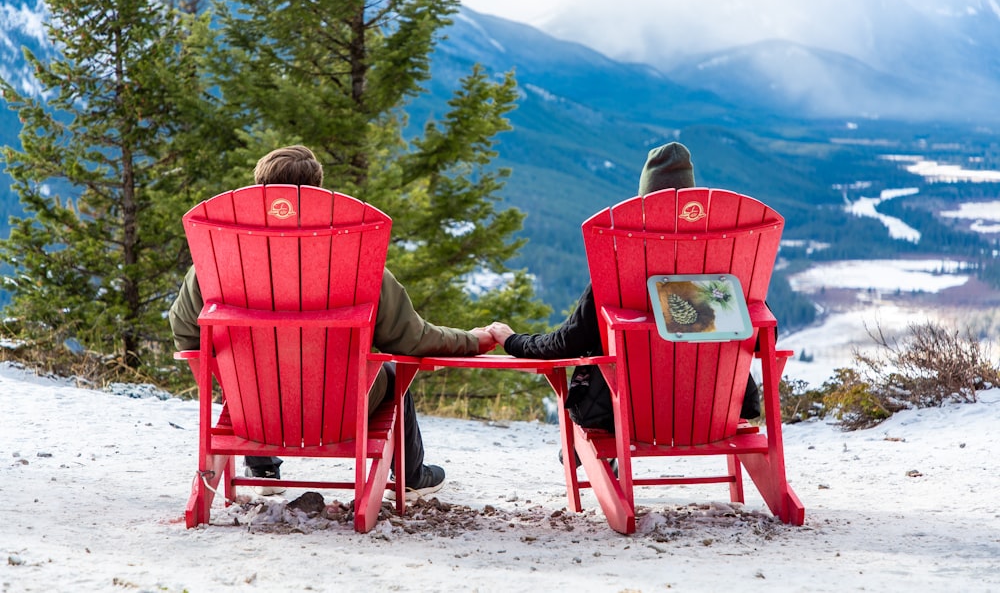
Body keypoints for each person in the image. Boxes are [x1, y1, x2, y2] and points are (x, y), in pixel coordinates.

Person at [169, 145, 495, 500]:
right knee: (389, 372)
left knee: (251, 370)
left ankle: (261, 466)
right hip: (339, 412)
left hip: (255, 414)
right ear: (318, 194)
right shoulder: (358, 264)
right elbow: (410, 340)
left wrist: (227, 383)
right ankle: (412, 475)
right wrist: (473, 340)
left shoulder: (213, 267)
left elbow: (185, 334)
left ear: (260, 192)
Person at [488, 142, 761, 441]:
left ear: (644, 208)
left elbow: (565, 344)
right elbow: (760, 340)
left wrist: (513, 341)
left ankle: (597, 458)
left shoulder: (619, 276)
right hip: (716, 413)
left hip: (622, 413)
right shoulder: (729, 272)